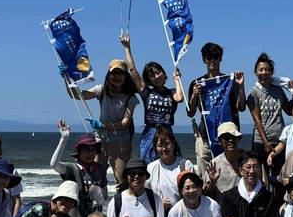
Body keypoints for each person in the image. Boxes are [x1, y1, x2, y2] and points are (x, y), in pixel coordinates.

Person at [65, 58, 140, 187]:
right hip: (100, 142)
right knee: (96, 180)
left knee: (122, 181)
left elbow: (125, 123)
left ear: (125, 75)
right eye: (113, 73)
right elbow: (76, 95)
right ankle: (97, 207)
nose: (117, 76)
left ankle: (120, 207)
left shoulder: (130, 97)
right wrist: (66, 78)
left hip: (121, 143)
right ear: (108, 75)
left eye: (120, 73)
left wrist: (103, 126)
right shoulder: (102, 90)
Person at [121, 33, 185, 163]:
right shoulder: (146, 93)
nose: (156, 77)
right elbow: (133, 70)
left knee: (171, 162)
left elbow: (179, 98)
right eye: (152, 76)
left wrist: (177, 80)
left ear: (163, 73)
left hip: (167, 131)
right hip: (150, 131)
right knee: (147, 164)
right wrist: (127, 47)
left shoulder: (171, 92)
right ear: (149, 80)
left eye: (158, 72)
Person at [186, 42, 247, 166]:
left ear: (221, 58)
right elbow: (190, 113)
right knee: (205, 173)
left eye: (215, 57)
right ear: (204, 60)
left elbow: (241, 107)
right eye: (208, 58)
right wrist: (194, 96)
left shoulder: (230, 81)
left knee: (229, 169)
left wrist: (240, 87)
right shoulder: (196, 83)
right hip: (205, 134)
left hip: (228, 135)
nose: (212, 61)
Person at [145, 126, 196, 217]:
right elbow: (147, 195)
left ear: (173, 144)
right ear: (155, 148)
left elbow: (193, 192)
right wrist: (159, 203)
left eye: (167, 144)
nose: (164, 148)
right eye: (160, 145)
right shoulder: (151, 168)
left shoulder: (184, 165)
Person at [247, 53, 293, 181]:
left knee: (279, 177)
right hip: (261, 141)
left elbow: (289, 111)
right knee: (260, 177)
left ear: (272, 72)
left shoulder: (278, 90)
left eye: (267, 69)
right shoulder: (254, 92)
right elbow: (256, 119)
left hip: (279, 140)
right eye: (261, 69)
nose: (264, 72)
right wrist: (265, 142)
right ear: (255, 72)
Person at [51, 120, 109, 217]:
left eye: (93, 150)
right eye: (86, 150)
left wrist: (98, 192)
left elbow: (105, 194)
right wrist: (64, 138)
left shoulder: (99, 168)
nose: (90, 153)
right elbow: (54, 164)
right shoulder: (72, 168)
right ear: (79, 152)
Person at [203, 122, 246, 202]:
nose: (230, 140)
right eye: (226, 138)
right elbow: (208, 196)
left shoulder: (250, 160)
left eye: (233, 137)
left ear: (238, 138)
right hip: (224, 209)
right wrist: (213, 182)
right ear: (220, 141)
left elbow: (262, 185)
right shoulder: (214, 165)